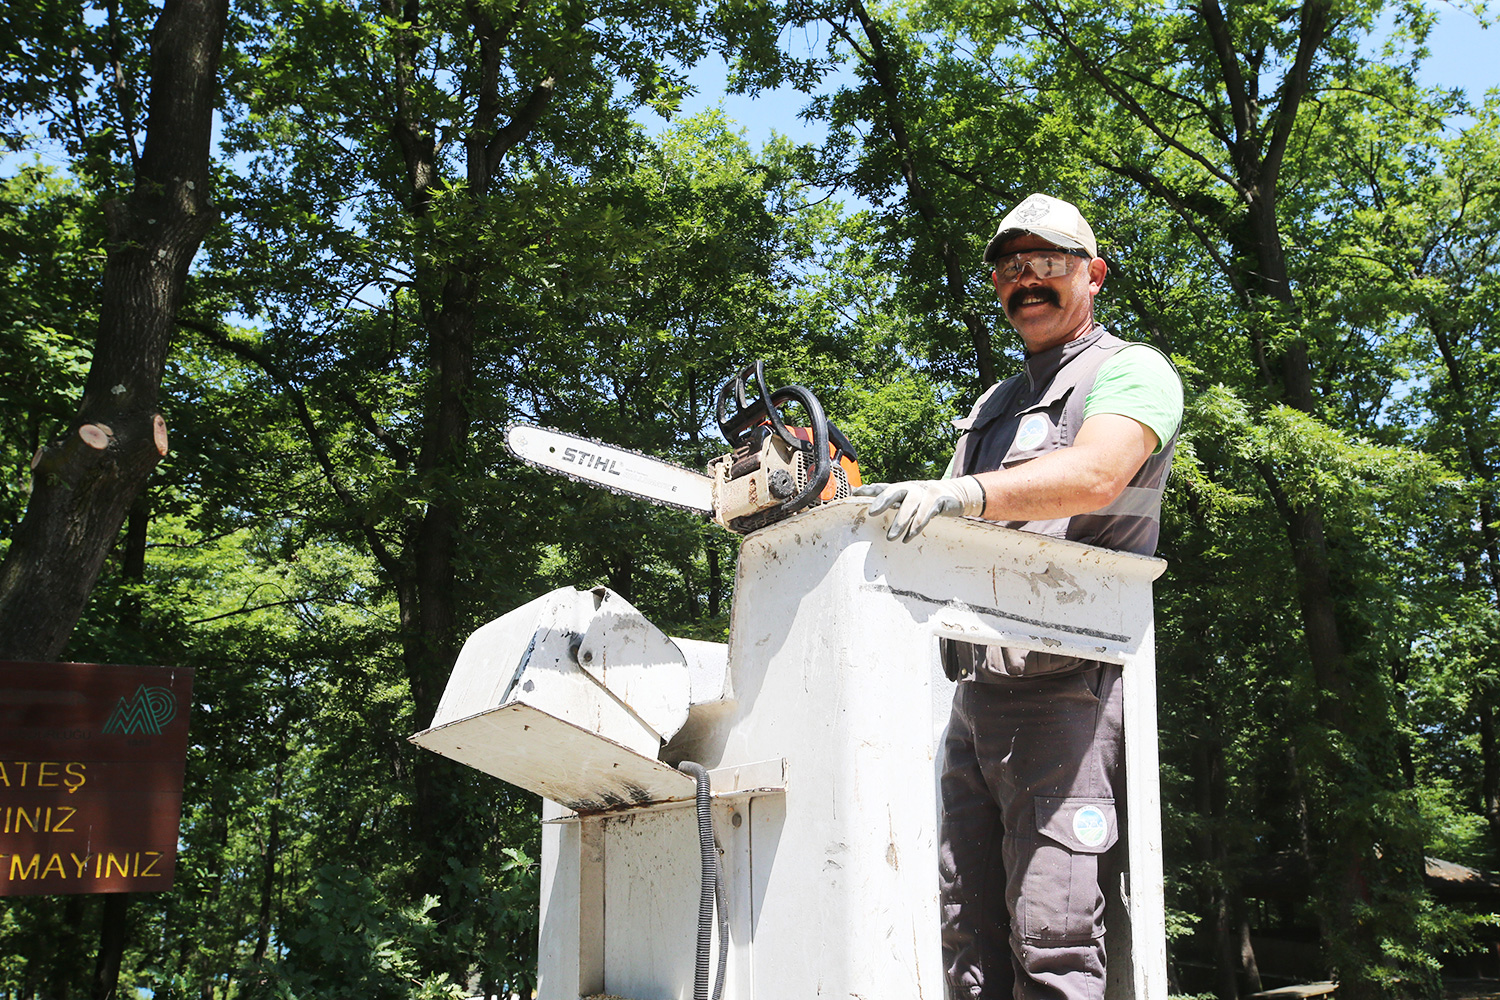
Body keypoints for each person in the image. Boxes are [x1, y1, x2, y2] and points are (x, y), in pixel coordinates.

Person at [856, 193, 1183, 1000]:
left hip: (1066, 691)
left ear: (1094, 275)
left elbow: (1099, 472)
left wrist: (961, 494)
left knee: (1054, 939)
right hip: (974, 700)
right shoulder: (993, 406)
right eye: (1011, 268)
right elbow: (946, 539)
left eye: (1048, 265)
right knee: (967, 941)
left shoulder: (1131, 370)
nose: (1026, 282)